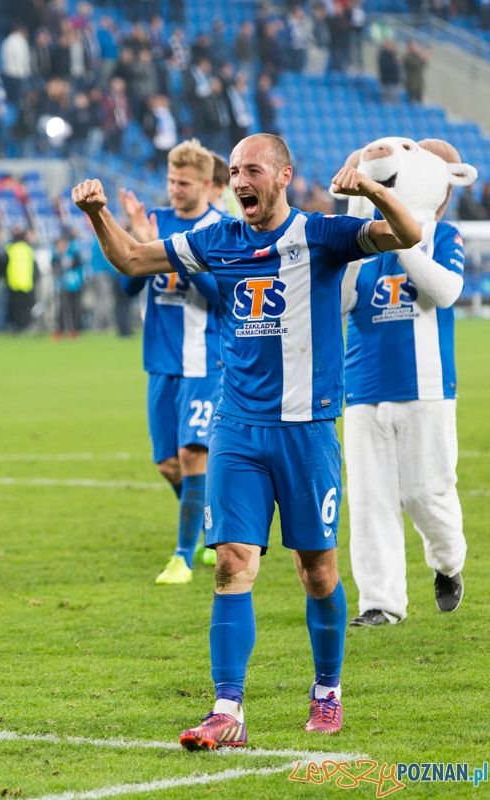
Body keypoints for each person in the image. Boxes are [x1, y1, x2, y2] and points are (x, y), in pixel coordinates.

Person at [72, 133, 421, 747]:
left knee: (317, 572)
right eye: (233, 171)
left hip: (306, 429)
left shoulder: (322, 234)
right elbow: (131, 259)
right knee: (233, 564)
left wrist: (368, 190)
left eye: (251, 170)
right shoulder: (218, 239)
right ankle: (226, 708)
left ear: (283, 175)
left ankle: (327, 692)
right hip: (236, 427)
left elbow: (407, 234)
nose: (239, 181)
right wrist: (98, 214)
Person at [342, 138, 471, 627]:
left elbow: (446, 291)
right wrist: (355, 237)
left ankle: (448, 562)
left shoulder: (443, 234)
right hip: (363, 386)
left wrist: (405, 243)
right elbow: (340, 303)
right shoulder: (360, 243)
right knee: (370, 500)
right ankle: (381, 602)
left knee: (427, 493)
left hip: (427, 387)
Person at [117, 140, 223, 583]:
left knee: (192, 453)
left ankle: (183, 556)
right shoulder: (155, 221)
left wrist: (181, 256)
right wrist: (141, 241)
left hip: (204, 359)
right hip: (160, 359)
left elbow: (220, 295)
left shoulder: (218, 228)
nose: (175, 189)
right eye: (171, 181)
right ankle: (210, 524)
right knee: (167, 463)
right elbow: (128, 287)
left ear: (206, 184)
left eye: (184, 183)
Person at [52, 233, 83, 338]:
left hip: (74, 284)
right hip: (62, 285)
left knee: (74, 307)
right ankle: (60, 329)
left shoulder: (73, 252)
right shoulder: (56, 254)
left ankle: (74, 329)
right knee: (62, 308)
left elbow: (78, 264)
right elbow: (53, 265)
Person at [5, 227, 35, 332]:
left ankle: (17, 326)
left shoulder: (11, 248)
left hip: (14, 282)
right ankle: (25, 326)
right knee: (25, 307)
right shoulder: (28, 249)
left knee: (15, 307)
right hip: (26, 282)